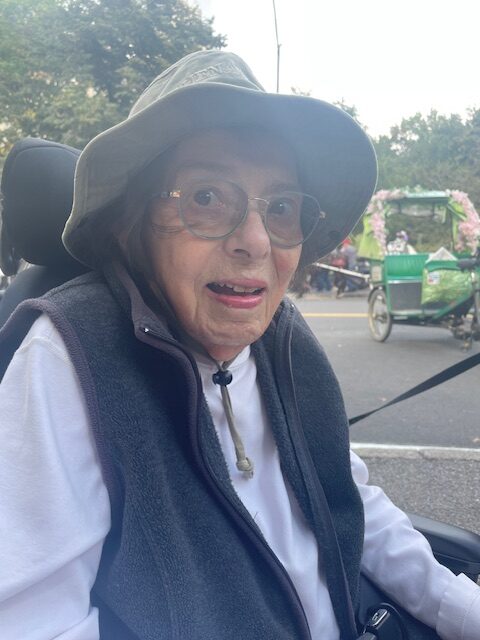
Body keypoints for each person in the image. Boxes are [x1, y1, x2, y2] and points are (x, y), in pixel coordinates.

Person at [0, 50, 479, 640]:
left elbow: (346, 496)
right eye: (206, 198)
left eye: (280, 208)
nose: (256, 242)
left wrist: (460, 608)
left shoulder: (284, 336)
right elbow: (34, 620)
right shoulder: (72, 356)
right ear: (131, 223)